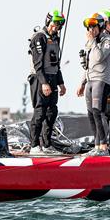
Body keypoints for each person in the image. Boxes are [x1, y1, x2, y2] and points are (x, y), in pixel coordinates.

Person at [76, 13, 110, 156]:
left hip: (102, 79)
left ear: (100, 26)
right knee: (90, 113)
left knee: (97, 112)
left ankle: (104, 146)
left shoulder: (108, 40)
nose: (90, 30)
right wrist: (82, 82)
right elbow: (88, 64)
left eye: (93, 27)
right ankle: (97, 145)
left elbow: (99, 57)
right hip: (90, 80)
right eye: (89, 27)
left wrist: (93, 42)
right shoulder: (91, 42)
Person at [28, 9, 67, 154]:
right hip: (40, 79)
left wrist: (61, 83)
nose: (56, 27)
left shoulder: (55, 39)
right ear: (48, 21)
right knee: (40, 112)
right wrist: (44, 82)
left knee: (52, 112)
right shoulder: (39, 37)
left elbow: (55, 63)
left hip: (53, 77)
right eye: (55, 23)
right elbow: (38, 64)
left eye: (59, 25)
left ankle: (47, 144)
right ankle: (34, 145)